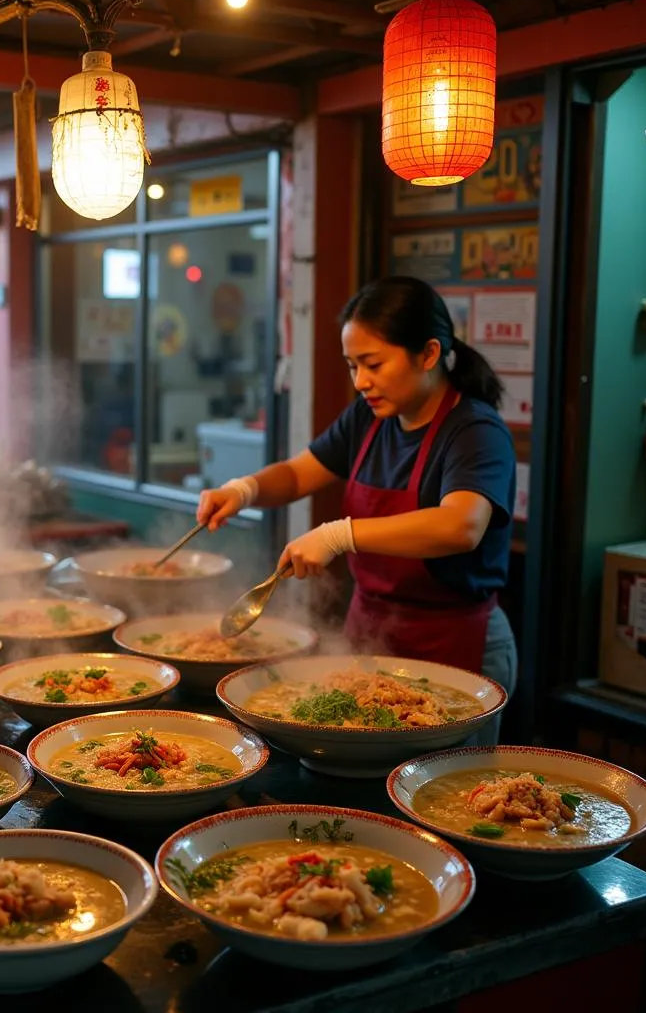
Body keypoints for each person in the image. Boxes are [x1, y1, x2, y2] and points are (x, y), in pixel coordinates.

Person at [198, 276, 517, 743]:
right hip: (368, 636)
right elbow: (299, 473)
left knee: (437, 797)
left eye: (373, 364)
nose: (361, 381)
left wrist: (336, 535)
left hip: (455, 643)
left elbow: (460, 525)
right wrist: (244, 490)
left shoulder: (475, 431)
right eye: (352, 366)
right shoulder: (368, 417)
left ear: (428, 354)